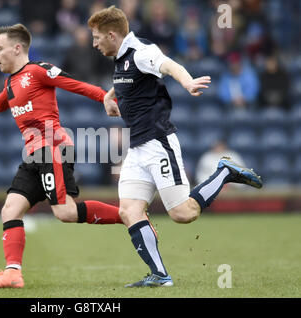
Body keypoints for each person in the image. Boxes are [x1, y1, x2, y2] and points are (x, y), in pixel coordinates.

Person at [88, 6, 263, 288]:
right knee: (129, 210)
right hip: (136, 148)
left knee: (183, 214)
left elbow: (168, 65)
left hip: (158, 143)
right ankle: (160, 275)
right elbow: (125, 79)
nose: (94, 43)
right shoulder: (121, 56)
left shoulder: (143, 52)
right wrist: (109, 96)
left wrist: (188, 81)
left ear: (111, 34)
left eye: (97, 37)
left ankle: (224, 172)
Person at [0, 24, 123, 289]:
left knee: (65, 212)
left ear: (17, 48)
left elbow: (74, 84)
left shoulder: (38, 71)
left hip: (53, 148)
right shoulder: (10, 82)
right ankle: (13, 273)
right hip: (33, 153)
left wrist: (104, 97)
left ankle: (130, 216)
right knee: (10, 208)